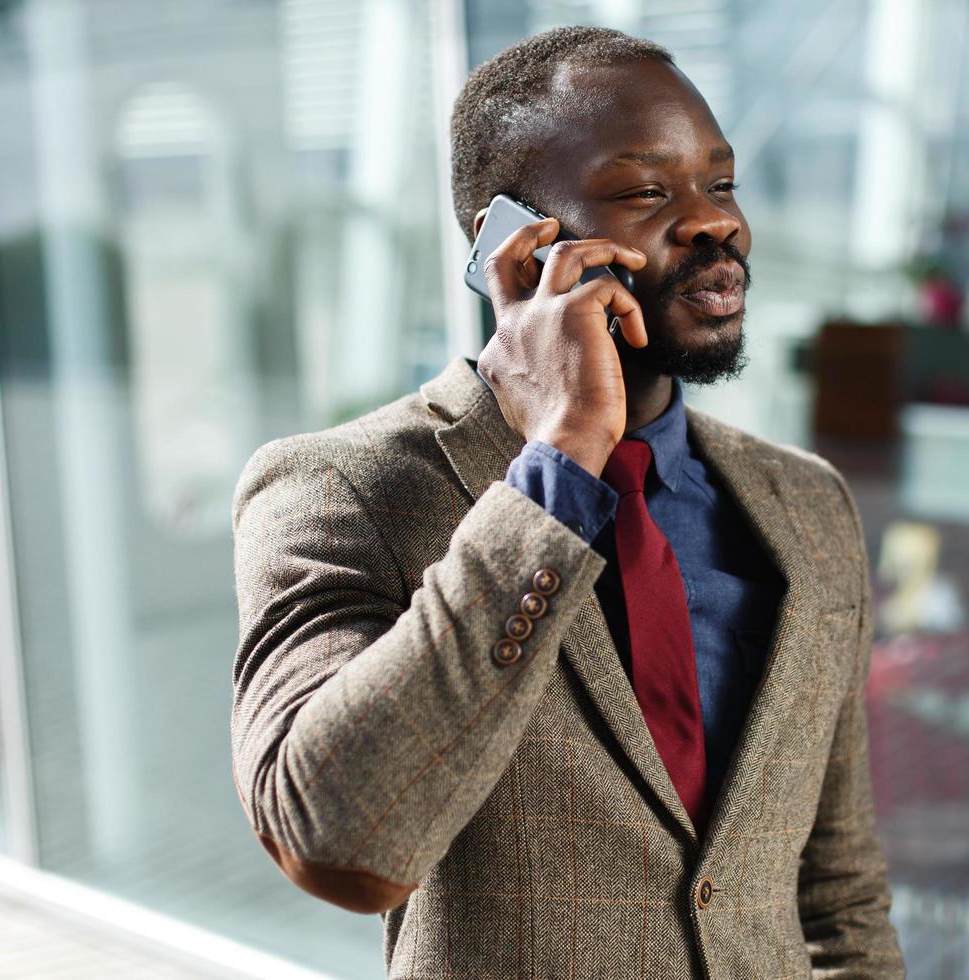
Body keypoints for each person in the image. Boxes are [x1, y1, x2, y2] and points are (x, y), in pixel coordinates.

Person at [230, 25, 904, 979]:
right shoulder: (344, 488)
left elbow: (838, 897)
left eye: (721, 183)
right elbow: (336, 838)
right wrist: (560, 459)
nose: (715, 223)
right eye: (645, 192)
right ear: (511, 240)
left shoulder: (804, 504)